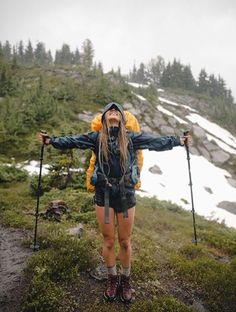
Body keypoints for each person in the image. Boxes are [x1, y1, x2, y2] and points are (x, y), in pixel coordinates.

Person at [38, 102, 189, 303]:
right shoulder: (95, 138)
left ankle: (125, 280)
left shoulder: (132, 138)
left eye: (117, 110)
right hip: (104, 195)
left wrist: (178, 140)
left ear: (123, 120)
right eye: (109, 110)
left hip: (126, 194)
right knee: (108, 241)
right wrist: (52, 141)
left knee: (125, 241)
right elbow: (73, 141)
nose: (113, 111)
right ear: (103, 119)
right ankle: (112, 278)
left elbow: (156, 142)